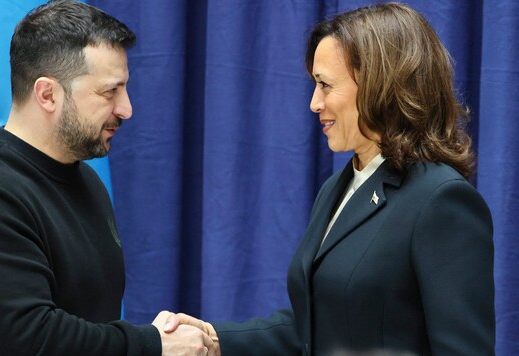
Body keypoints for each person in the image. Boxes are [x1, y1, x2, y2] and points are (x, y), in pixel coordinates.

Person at [161, 3, 495, 355]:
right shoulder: (338, 188)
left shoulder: (441, 201)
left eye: (325, 85)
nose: (314, 103)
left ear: (379, 85)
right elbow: (314, 327)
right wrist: (213, 340)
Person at [0, 1, 215, 355]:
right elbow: (35, 341)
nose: (127, 109)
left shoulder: (87, 181)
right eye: (110, 92)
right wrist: (153, 345)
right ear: (48, 94)